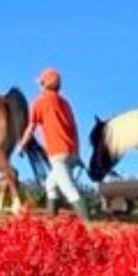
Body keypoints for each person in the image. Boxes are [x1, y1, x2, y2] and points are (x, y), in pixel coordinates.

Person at [16, 68, 90, 221]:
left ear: (43, 84)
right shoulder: (65, 103)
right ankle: (51, 216)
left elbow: (31, 128)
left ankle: (87, 222)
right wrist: (77, 153)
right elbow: (74, 127)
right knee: (51, 183)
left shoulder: (39, 103)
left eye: (40, 83)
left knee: (68, 188)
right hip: (71, 151)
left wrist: (22, 145)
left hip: (57, 152)